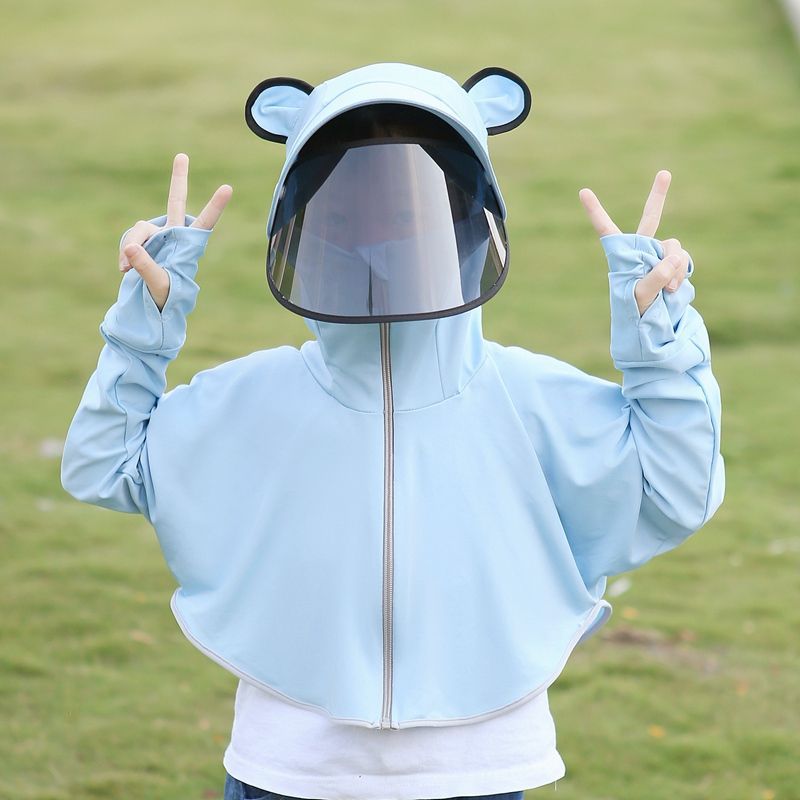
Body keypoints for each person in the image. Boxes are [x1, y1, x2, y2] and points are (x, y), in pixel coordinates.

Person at [61, 63, 725, 800]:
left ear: (464, 216)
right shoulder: (253, 395)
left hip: (481, 772)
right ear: (307, 222)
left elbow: (676, 489)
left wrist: (659, 341)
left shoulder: (527, 395)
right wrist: (145, 325)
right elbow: (102, 464)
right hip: (289, 773)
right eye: (350, 214)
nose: (379, 240)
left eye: (405, 210)